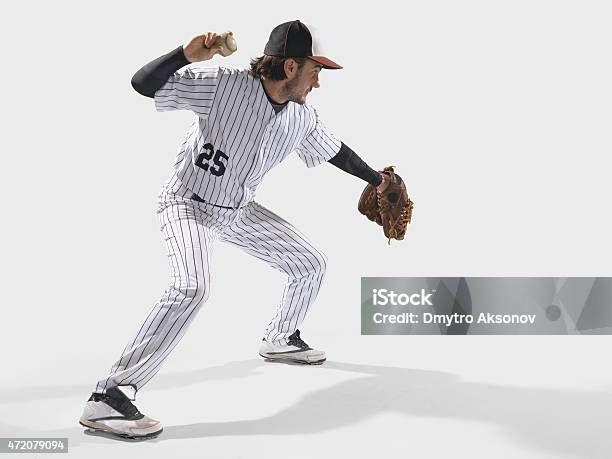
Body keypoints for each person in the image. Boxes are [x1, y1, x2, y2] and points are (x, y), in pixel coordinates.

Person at [79, 20, 390, 440]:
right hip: (187, 203)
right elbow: (143, 85)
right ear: (292, 67)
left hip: (238, 211)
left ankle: (280, 338)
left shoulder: (301, 116)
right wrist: (184, 56)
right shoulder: (223, 85)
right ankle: (109, 395)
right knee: (192, 288)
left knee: (310, 263)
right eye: (317, 71)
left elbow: (337, 151)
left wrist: (376, 179)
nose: (319, 82)